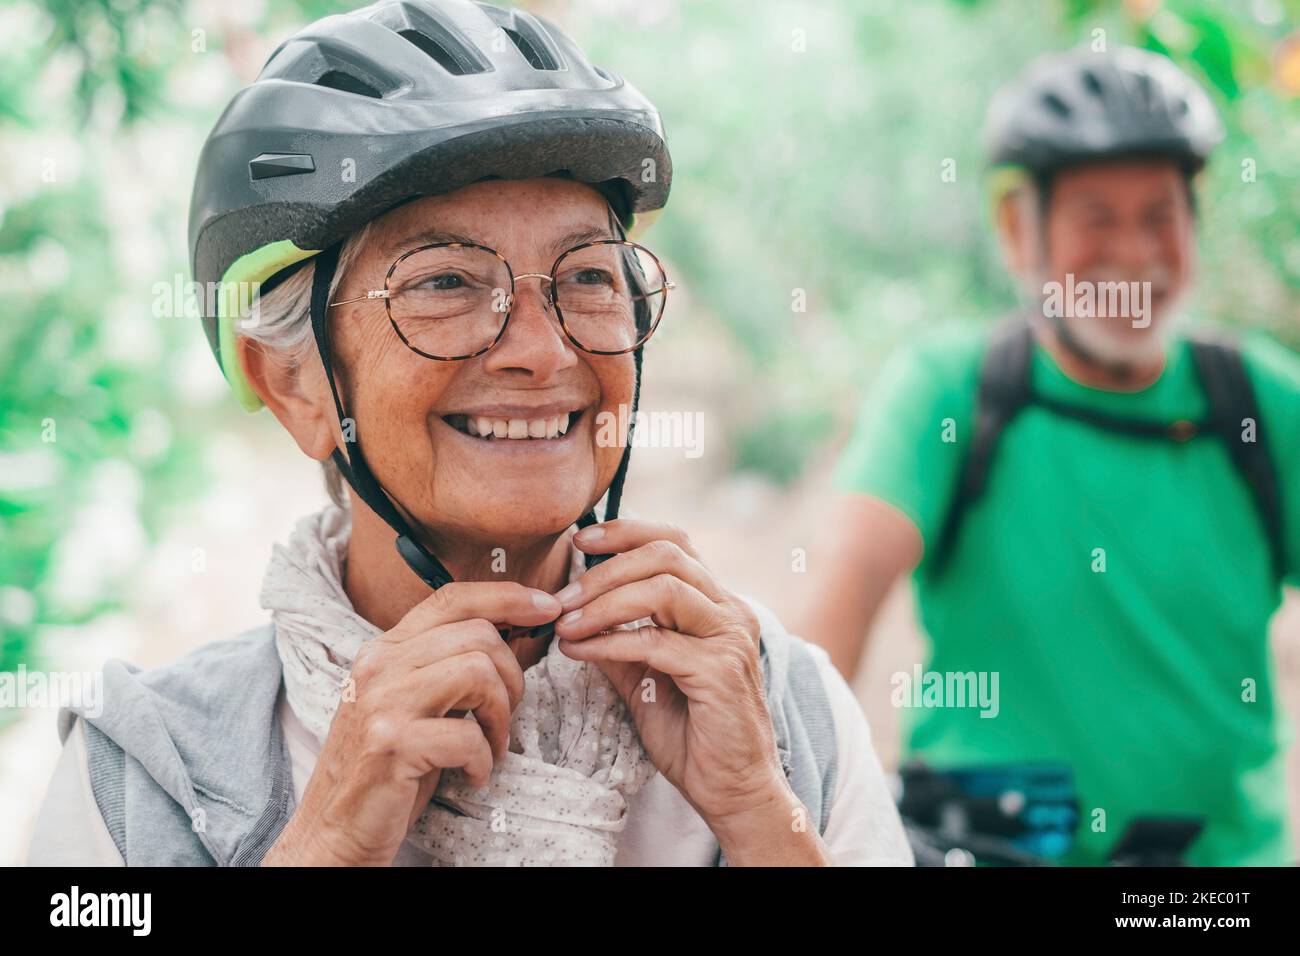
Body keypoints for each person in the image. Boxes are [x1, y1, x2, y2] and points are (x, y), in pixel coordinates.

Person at [25, 0, 911, 867]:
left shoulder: (781, 711)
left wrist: (760, 815)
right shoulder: (145, 772)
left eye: (590, 277)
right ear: (293, 383)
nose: (542, 348)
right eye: (446, 281)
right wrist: (326, 842)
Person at [804, 45, 1300, 865]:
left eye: (1160, 217)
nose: (1136, 255)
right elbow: (836, 612)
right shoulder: (954, 389)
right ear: (1017, 230)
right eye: (1096, 217)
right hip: (987, 849)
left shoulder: (1259, 402)